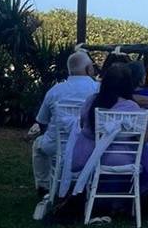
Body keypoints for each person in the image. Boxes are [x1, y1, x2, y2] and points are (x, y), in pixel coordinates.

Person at [31, 51, 98, 197]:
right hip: (89, 146)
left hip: (58, 145)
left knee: (38, 145)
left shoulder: (55, 91)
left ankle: (44, 186)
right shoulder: (97, 90)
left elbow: (42, 121)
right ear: (88, 69)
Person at [70, 64, 148, 174]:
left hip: (90, 157)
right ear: (128, 84)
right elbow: (146, 137)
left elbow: (81, 124)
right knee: (144, 149)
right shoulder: (131, 107)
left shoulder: (91, 101)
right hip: (123, 159)